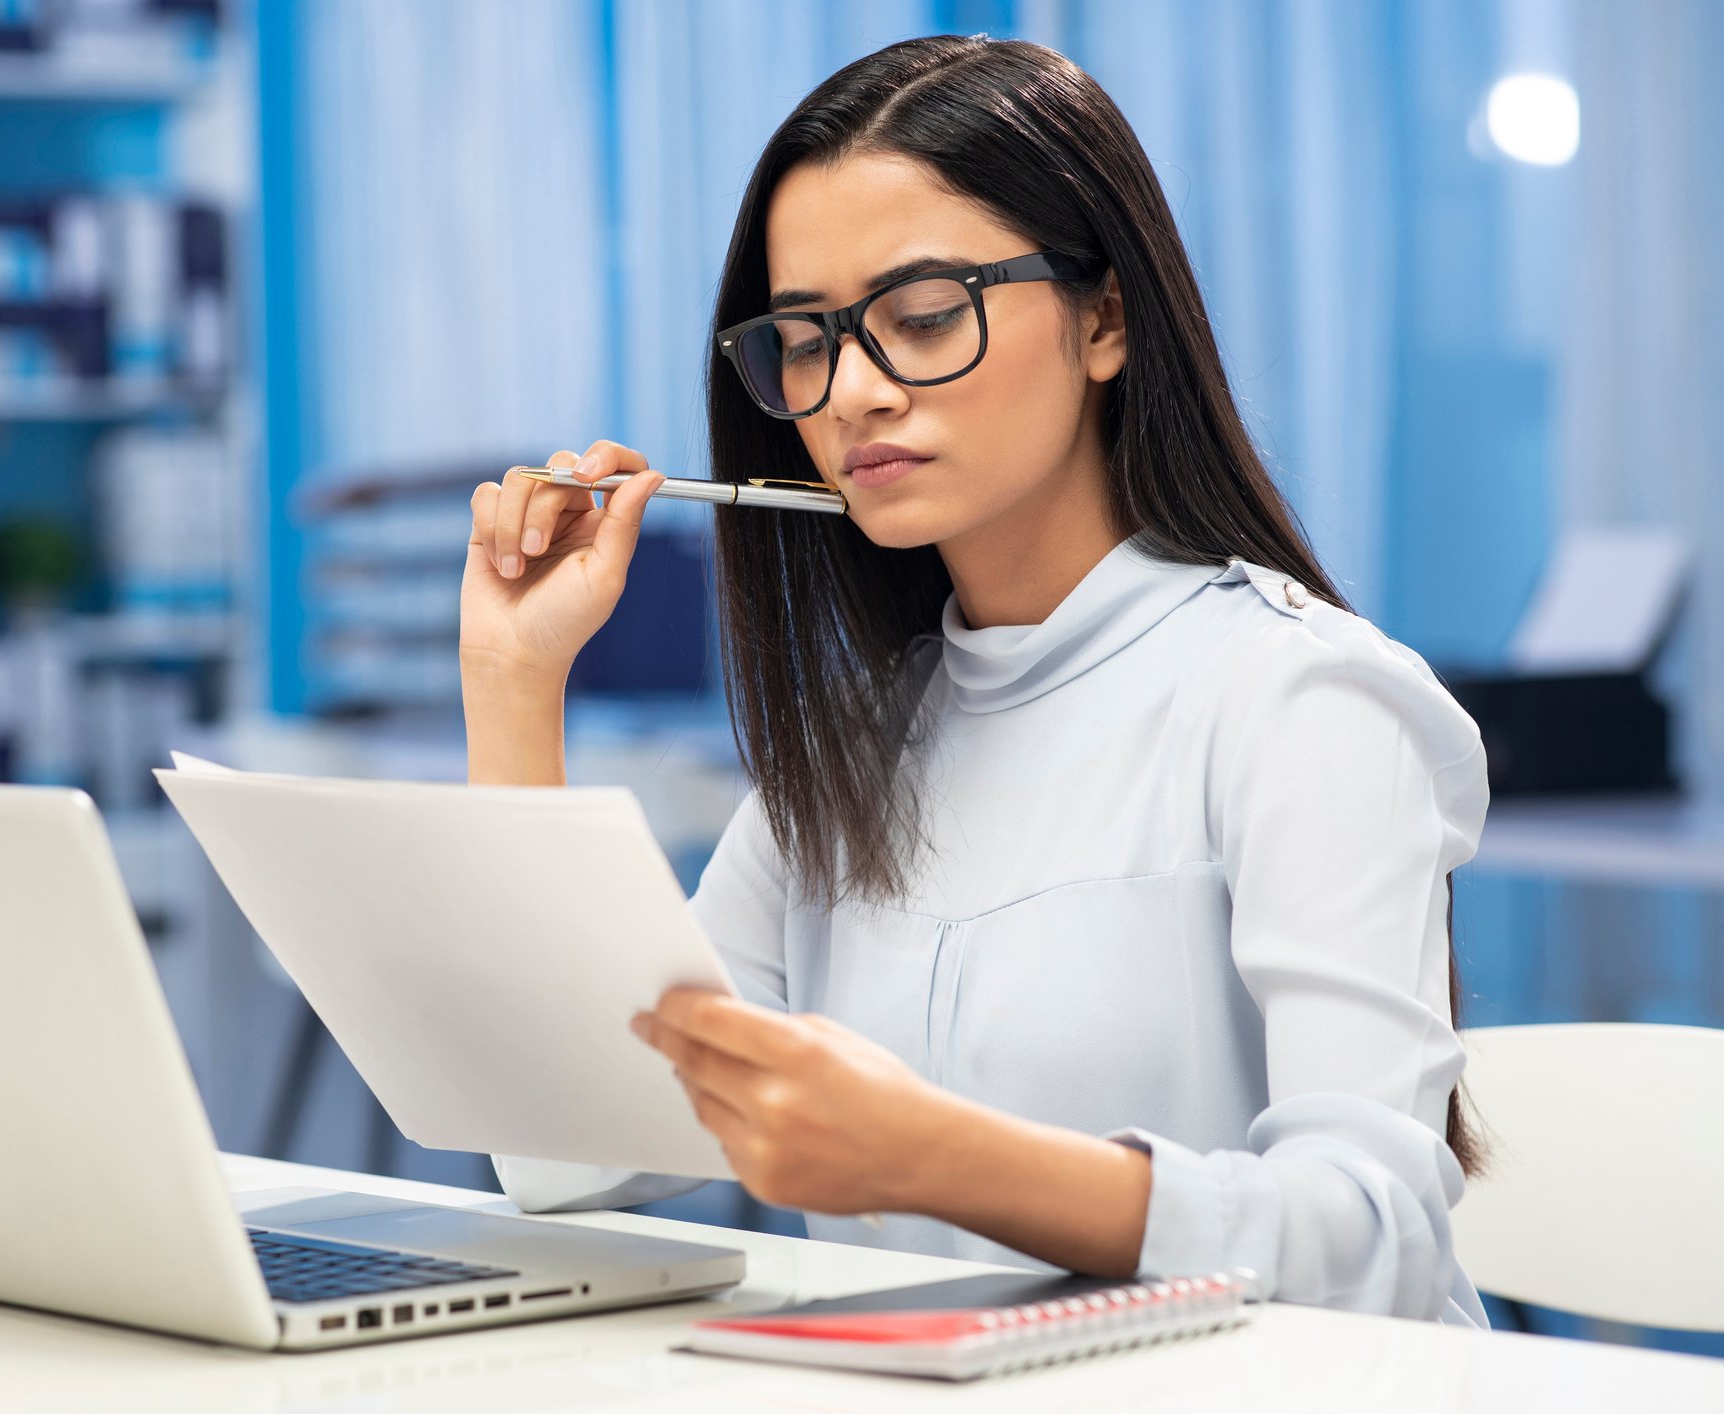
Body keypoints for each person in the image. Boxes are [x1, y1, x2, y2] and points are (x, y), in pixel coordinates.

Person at [456, 34, 1491, 1327]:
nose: (852, 392)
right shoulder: (857, 745)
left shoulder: (1296, 698)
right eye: (805, 340)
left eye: (925, 316)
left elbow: (1371, 1238)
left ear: (1104, 317)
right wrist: (511, 683)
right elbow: (567, 1155)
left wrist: (936, 1157)